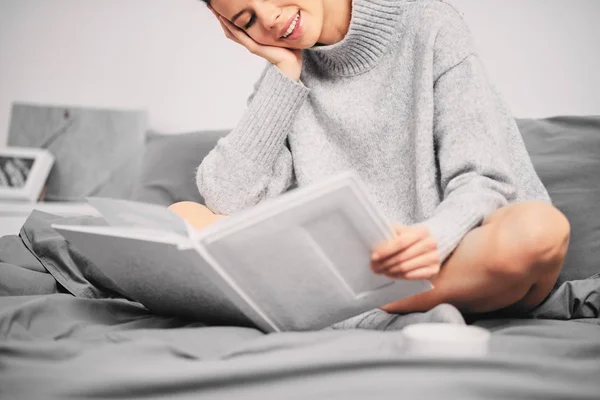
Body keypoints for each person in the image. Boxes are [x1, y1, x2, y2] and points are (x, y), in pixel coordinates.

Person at [169, 0, 570, 318]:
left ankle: (374, 305)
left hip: (446, 258)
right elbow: (227, 198)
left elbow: (484, 180)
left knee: (540, 230)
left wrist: (436, 237)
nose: (270, 18)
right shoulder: (286, 78)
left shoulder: (430, 25)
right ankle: (371, 302)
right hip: (346, 269)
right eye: (246, 19)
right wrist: (284, 72)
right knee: (182, 217)